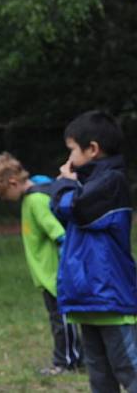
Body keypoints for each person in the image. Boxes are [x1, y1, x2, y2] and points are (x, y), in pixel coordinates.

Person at [48, 110, 137, 392]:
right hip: (87, 299)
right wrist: (68, 186)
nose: (69, 159)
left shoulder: (112, 181)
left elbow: (76, 208)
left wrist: (63, 183)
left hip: (109, 297)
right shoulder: (87, 182)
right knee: (99, 375)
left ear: (93, 149)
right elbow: (62, 212)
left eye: (72, 150)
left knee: (128, 367)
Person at [0, 151, 83, 375]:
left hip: (55, 274)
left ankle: (66, 362)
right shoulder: (35, 192)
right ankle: (69, 357)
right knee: (58, 318)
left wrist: (68, 269)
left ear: (13, 182)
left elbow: (59, 234)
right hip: (46, 274)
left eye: (2, 193)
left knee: (62, 319)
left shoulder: (35, 201)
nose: (3, 199)